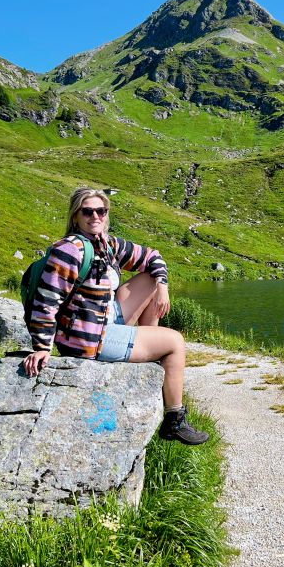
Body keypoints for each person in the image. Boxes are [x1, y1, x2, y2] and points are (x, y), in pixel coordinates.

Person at [22, 187, 208, 445]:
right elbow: (46, 301)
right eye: (87, 211)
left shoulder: (107, 245)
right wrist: (42, 347)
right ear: (76, 216)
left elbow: (153, 256)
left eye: (101, 210)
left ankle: (148, 353)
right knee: (175, 342)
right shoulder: (70, 250)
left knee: (150, 279)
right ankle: (174, 419)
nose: (95, 216)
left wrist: (163, 286)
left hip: (105, 318)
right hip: (87, 338)